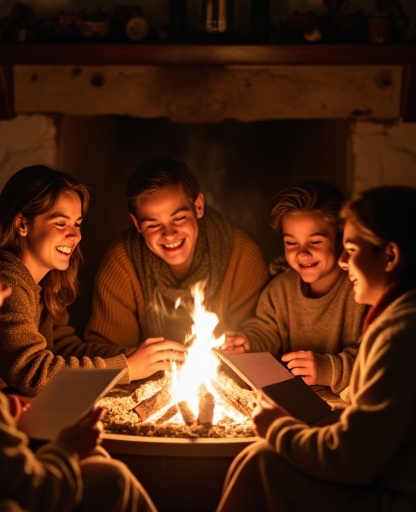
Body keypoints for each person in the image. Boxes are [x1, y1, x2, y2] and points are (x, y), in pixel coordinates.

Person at [0, 213, 156, 512]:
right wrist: (68, 448)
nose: (4, 289)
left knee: (102, 472)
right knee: (110, 479)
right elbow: (32, 494)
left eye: (78, 222)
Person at [216, 185, 416, 512]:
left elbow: (352, 457)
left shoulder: (399, 334)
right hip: (376, 475)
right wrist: (249, 342)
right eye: (291, 242)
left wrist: (279, 427)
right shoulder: (395, 316)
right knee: (260, 459)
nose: (342, 260)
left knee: (262, 464)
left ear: (391, 256)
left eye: (350, 248)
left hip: (393, 497)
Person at [0, 164, 185, 397]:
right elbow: (33, 373)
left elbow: (64, 349)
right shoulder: (6, 281)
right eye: (61, 223)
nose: (75, 235)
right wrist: (126, 368)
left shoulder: (46, 282)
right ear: (22, 224)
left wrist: (144, 357)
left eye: (77, 224)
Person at [84, 155, 270, 349]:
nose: (169, 234)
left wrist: (241, 347)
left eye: (179, 218)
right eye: (154, 225)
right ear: (137, 224)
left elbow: (259, 340)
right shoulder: (123, 262)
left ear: (198, 206)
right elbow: (105, 355)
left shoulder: (241, 256)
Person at [221, 180, 368, 394]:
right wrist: (248, 343)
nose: (302, 253)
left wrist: (328, 369)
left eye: (315, 242)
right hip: (299, 401)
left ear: (340, 239)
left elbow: (377, 360)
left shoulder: (361, 291)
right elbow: (266, 330)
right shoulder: (280, 290)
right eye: (291, 243)